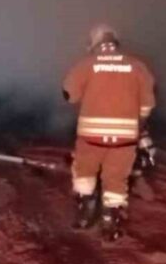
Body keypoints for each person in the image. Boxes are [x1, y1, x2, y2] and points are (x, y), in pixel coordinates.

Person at [62, 24, 156, 240]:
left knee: (84, 173)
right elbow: (147, 106)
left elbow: (68, 95)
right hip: (125, 139)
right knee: (116, 179)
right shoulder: (137, 66)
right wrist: (136, 127)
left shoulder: (86, 65)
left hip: (90, 138)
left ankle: (85, 216)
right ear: (116, 43)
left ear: (94, 44)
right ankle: (109, 225)